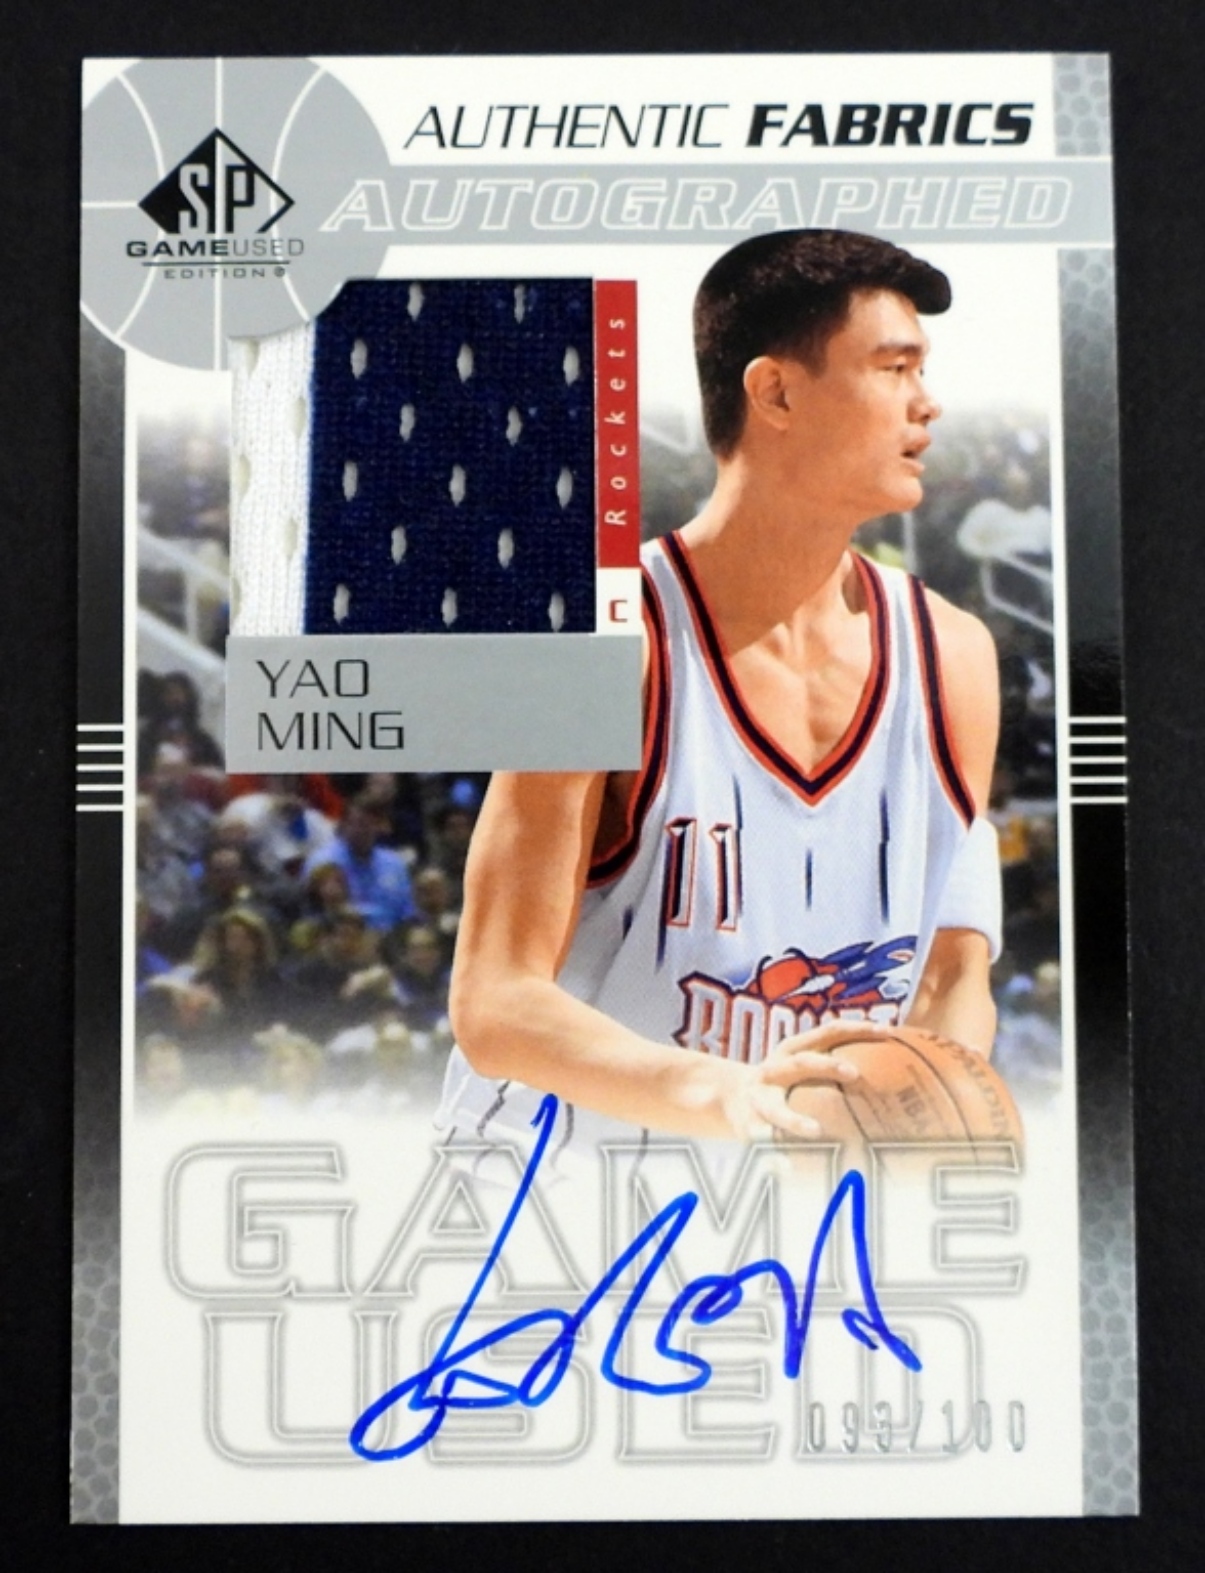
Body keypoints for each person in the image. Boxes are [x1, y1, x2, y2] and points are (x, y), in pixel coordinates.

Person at [438, 229, 1001, 1155]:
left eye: (921, 369)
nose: (926, 402)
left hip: (780, 1199)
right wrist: (732, 1096)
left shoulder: (954, 656)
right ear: (774, 391)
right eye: (893, 367)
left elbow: (950, 974)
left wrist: (926, 1103)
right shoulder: (601, 636)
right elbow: (495, 1000)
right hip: (548, 1193)